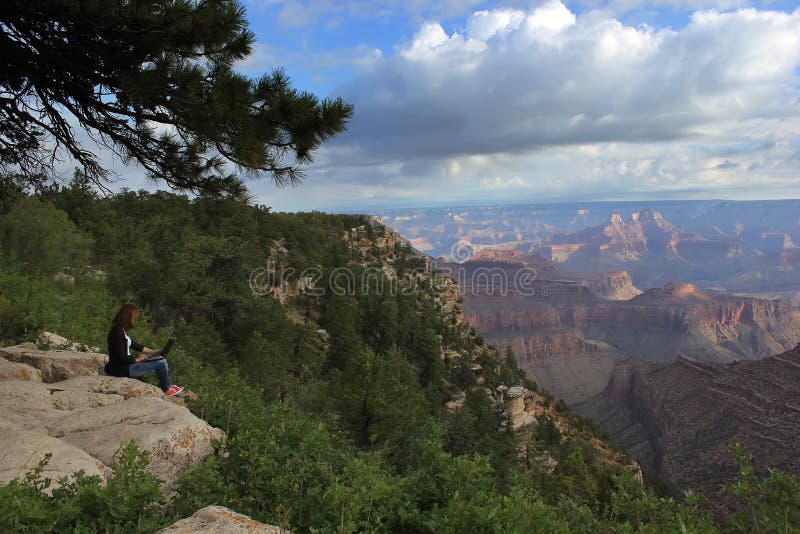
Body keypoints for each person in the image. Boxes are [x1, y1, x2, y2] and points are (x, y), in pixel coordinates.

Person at [106, 303, 183, 397]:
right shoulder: (117, 332)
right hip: (122, 369)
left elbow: (135, 345)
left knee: (159, 357)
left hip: (125, 366)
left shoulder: (120, 330)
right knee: (161, 362)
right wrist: (136, 359)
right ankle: (167, 389)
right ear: (127, 317)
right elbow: (120, 355)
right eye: (134, 318)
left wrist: (154, 352)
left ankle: (169, 386)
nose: (134, 320)